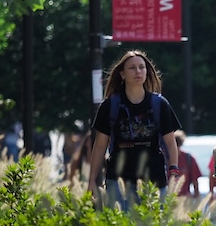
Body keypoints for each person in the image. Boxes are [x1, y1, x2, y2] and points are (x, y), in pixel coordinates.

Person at [87, 50, 182, 209]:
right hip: (118, 182)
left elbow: (170, 143)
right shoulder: (110, 106)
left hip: (154, 182)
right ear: (122, 74)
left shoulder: (160, 104)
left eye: (141, 67)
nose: (138, 71)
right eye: (132, 68)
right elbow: (99, 147)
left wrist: (173, 170)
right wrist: (91, 180)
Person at [172, 130, 203, 198]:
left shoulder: (189, 159)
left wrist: (197, 198)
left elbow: (195, 181)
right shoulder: (165, 159)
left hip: (185, 200)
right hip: (167, 201)